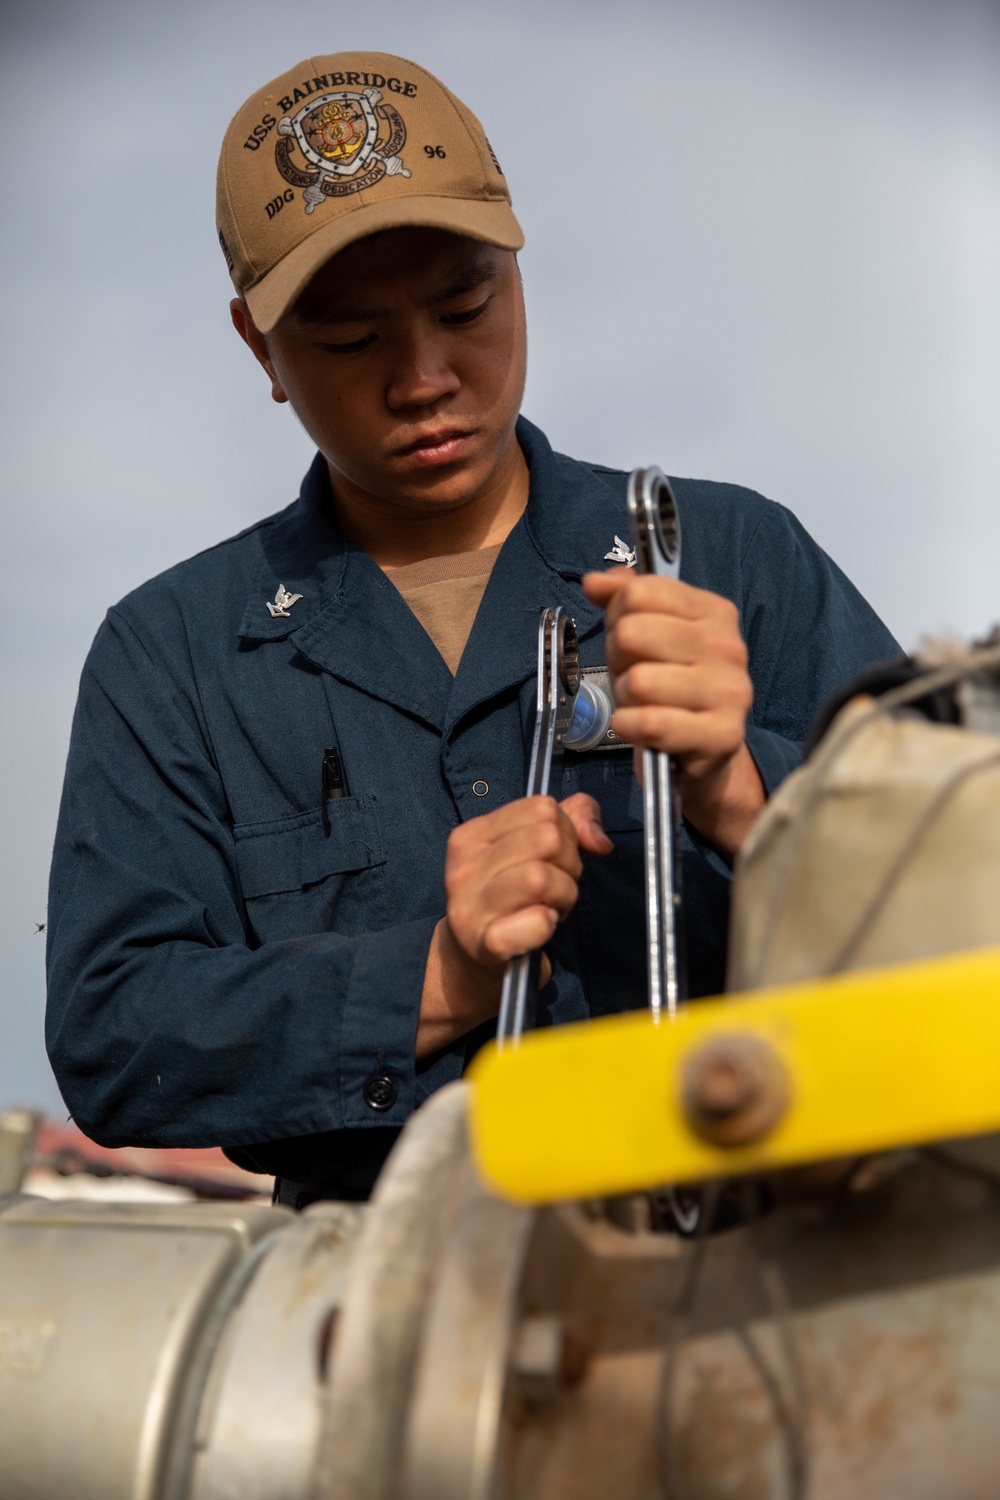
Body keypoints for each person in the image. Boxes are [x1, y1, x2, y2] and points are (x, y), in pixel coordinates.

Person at [46, 51, 898, 1206]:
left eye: (465, 306)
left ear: (518, 268)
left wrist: (748, 796)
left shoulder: (738, 557)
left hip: (757, 1295)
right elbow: (116, 1038)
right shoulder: (173, 656)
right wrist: (432, 975)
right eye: (351, 342)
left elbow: (963, 916)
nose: (424, 377)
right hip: (388, 1335)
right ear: (260, 348)